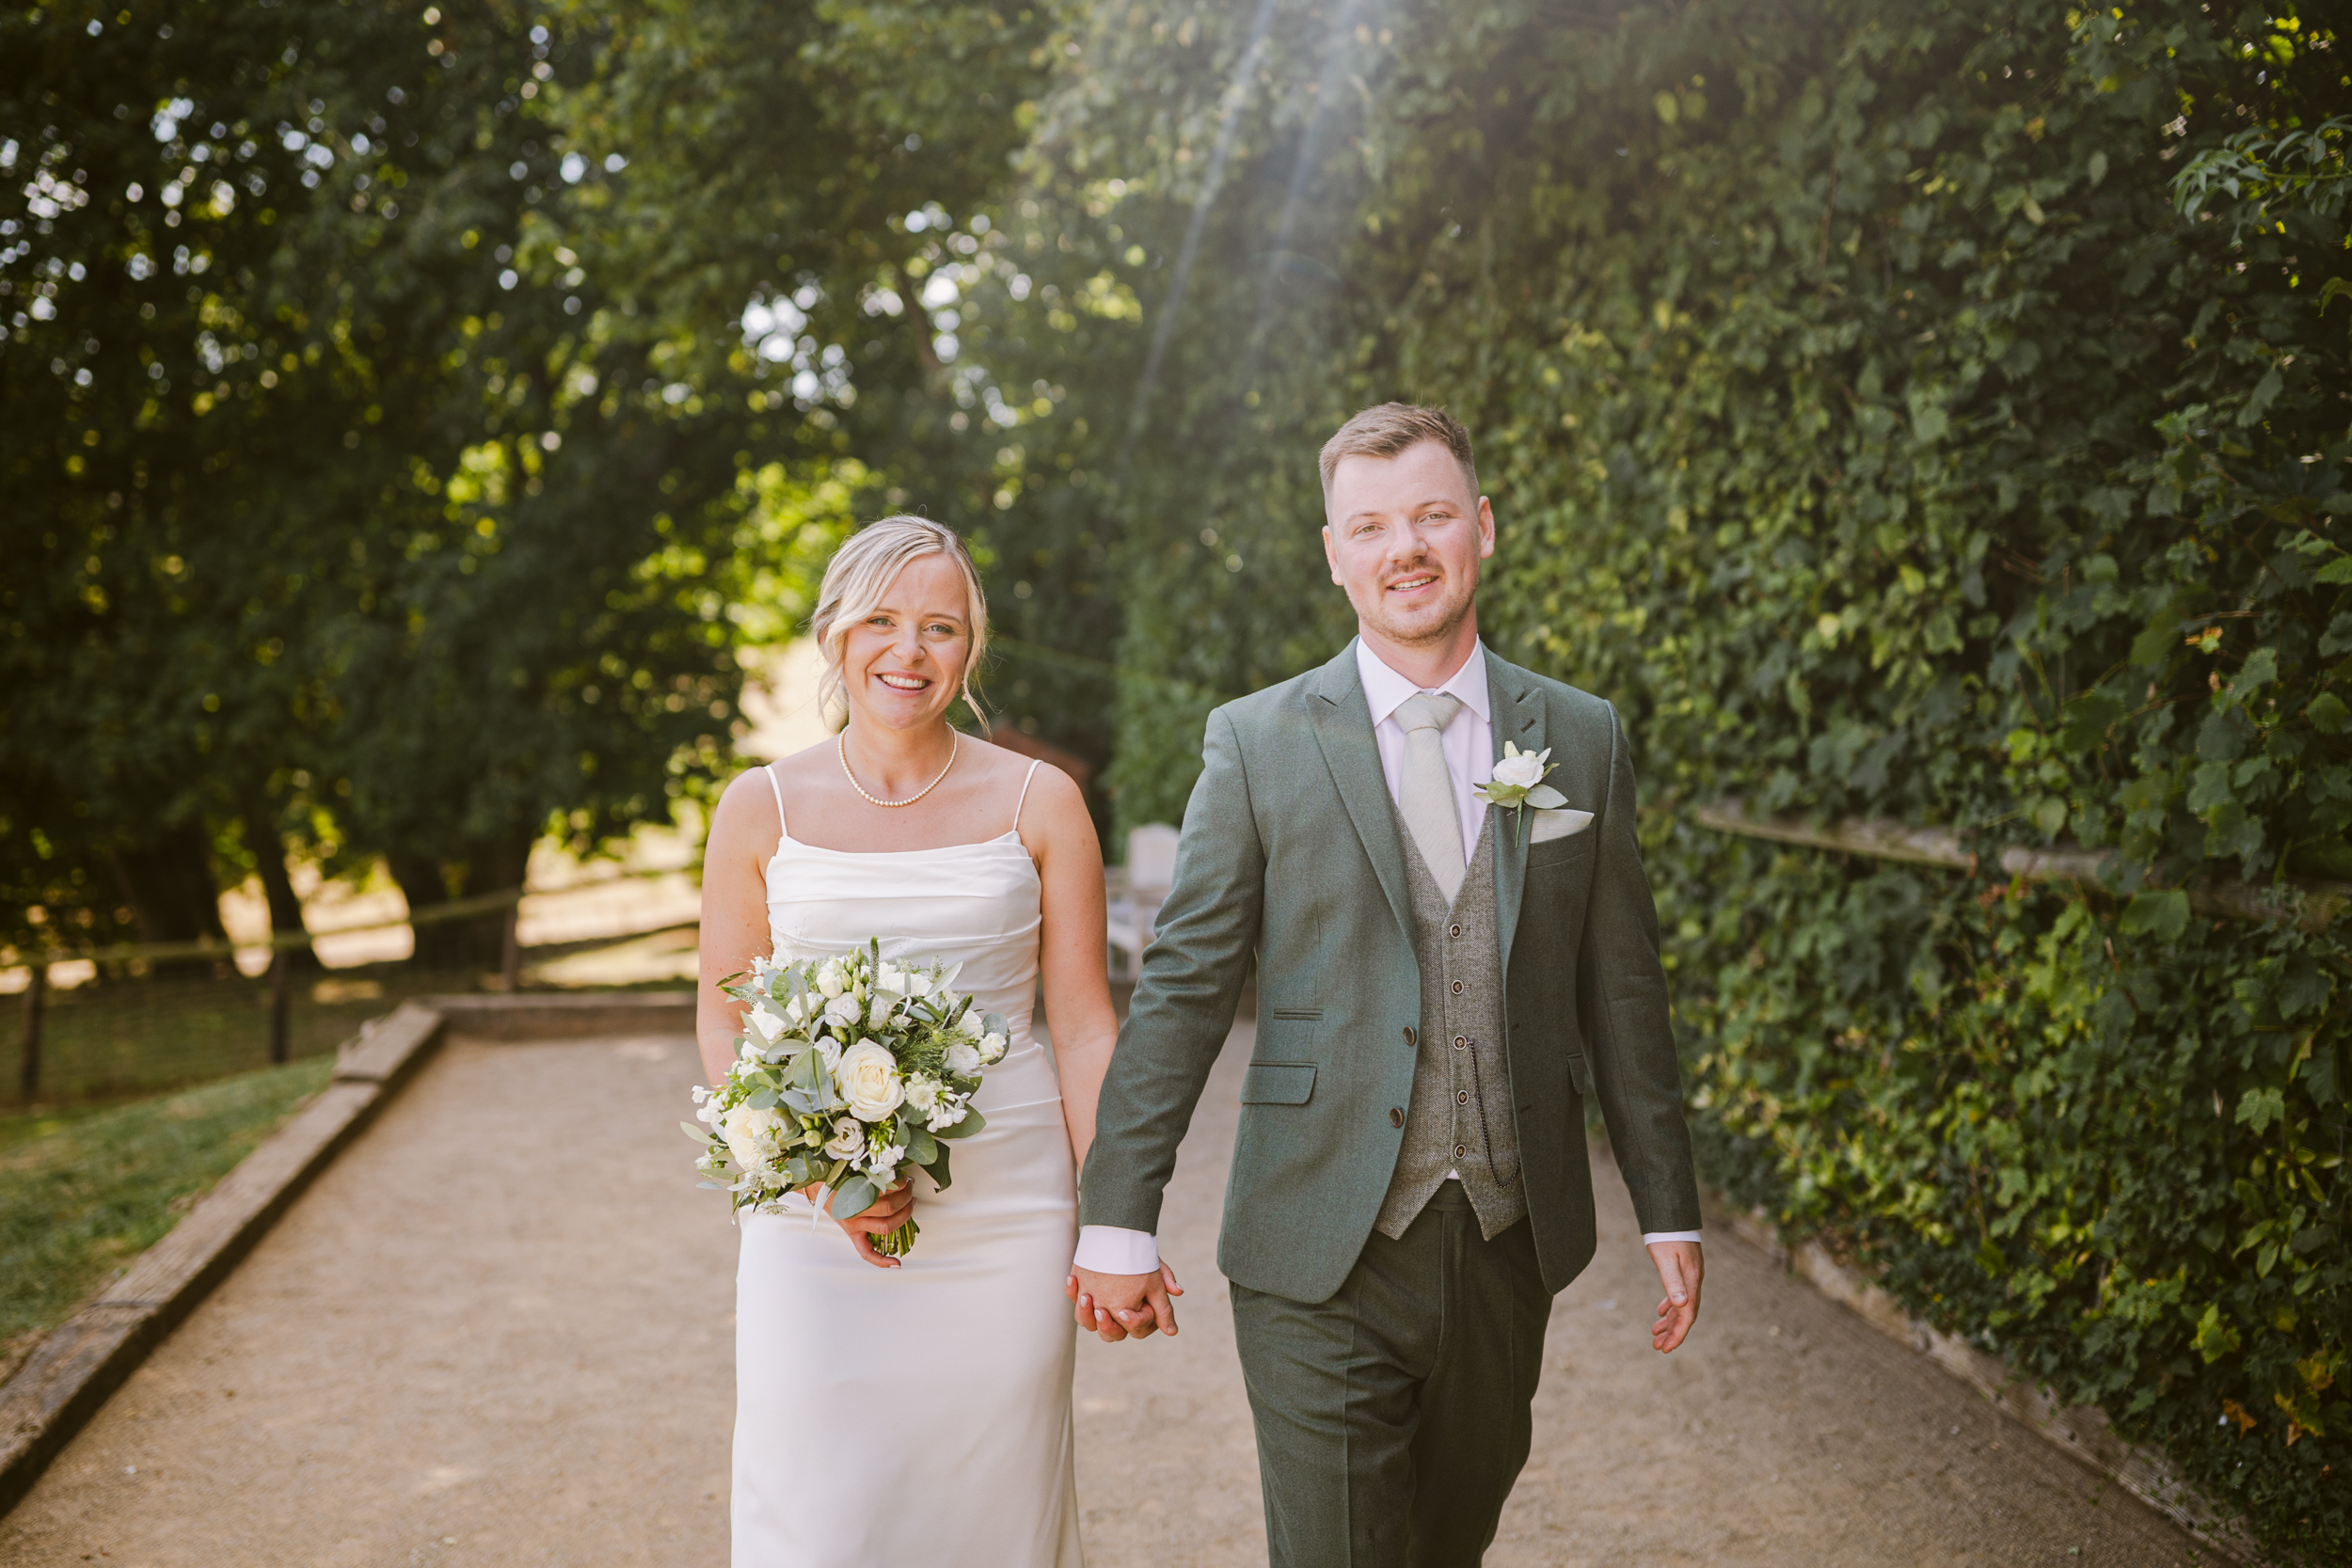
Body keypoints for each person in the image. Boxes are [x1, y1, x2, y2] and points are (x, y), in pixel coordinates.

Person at [1070, 404, 1708, 1567]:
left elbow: (1621, 989)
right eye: (1369, 524)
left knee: (1445, 1547)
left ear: (1483, 527)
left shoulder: (1578, 731)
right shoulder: (1256, 740)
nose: (1402, 546)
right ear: (1333, 554)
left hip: (1508, 1240)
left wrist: (1666, 1198)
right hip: (1315, 1243)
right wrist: (1118, 1212)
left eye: (1430, 514)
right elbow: (1184, 988)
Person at [696, 515, 1168, 1566]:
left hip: (1005, 1217)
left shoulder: (1041, 802)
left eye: (939, 627)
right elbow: (725, 1018)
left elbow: (1087, 1026)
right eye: (880, 621)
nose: (908, 652)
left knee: (987, 1514)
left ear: (970, 649)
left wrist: (1120, 1219)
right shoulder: (758, 807)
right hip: (809, 1231)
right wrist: (824, 1179)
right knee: (819, 1514)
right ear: (833, 635)